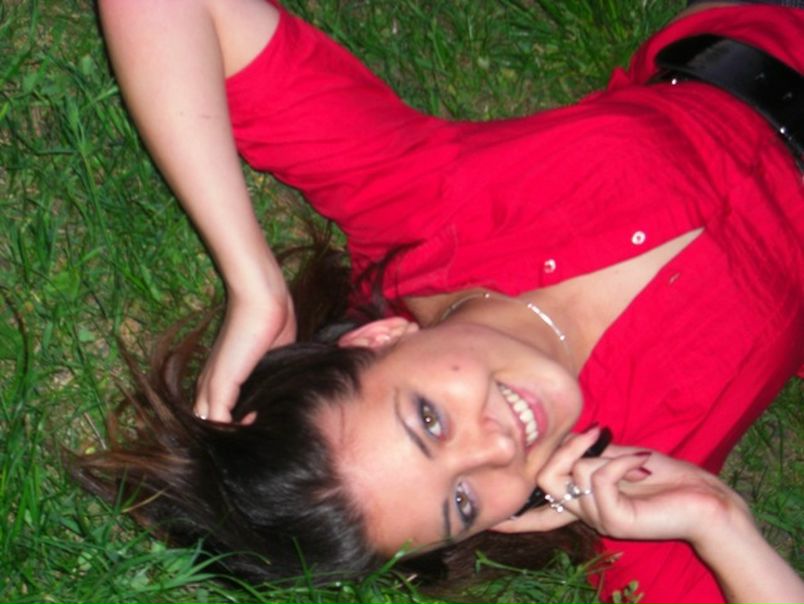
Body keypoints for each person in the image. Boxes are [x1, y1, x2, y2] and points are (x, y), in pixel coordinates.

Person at [76, 0, 804, 602]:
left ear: (378, 339)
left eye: (429, 419)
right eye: (462, 502)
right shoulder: (642, 496)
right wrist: (720, 524)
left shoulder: (415, 205)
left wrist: (252, 278)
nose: (496, 449)